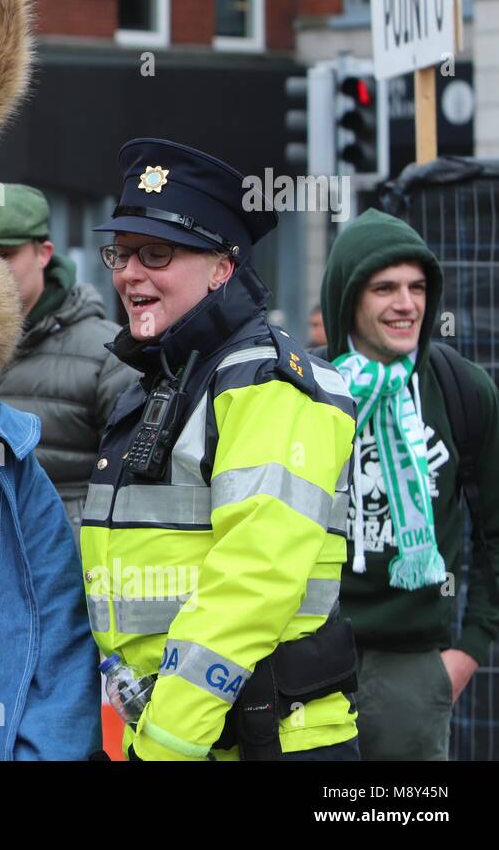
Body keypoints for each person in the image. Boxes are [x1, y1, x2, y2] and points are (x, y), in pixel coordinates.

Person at [82, 139, 360, 760]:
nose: (129, 274)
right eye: (122, 254)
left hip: (259, 742)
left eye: (157, 253)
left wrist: (164, 741)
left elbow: (252, 581)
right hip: (187, 736)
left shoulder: (265, 383)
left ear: (221, 268)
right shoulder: (169, 376)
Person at [318, 210, 499, 761]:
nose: (407, 304)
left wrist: (468, 651)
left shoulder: (462, 389)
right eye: (385, 288)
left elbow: (494, 533)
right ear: (349, 297)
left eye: (418, 287)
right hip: (309, 658)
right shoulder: (304, 389)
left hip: (415, 670)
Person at [0, 184, 138, 532]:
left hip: (62, 573)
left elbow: (134, 491)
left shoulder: (108, 353)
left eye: (5, 254)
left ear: (44, 253)